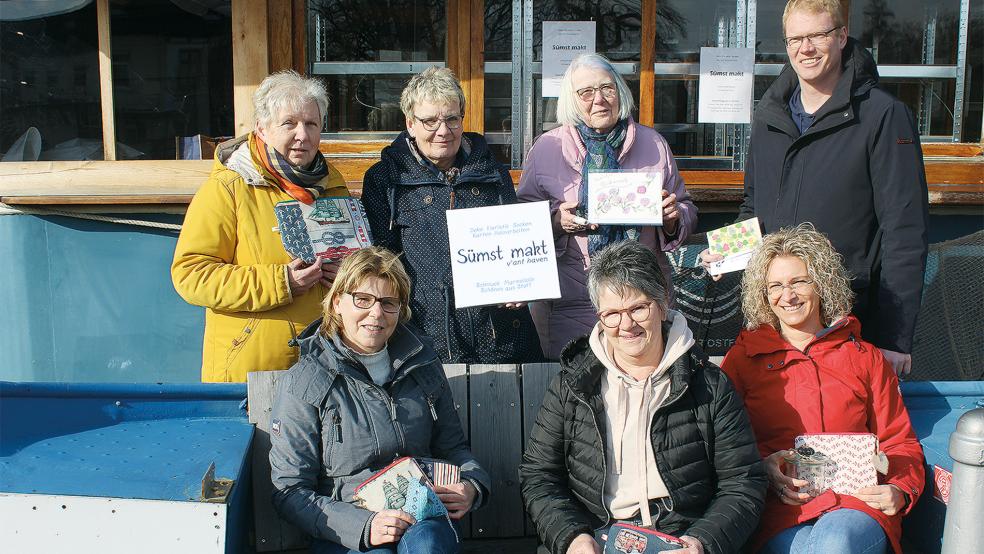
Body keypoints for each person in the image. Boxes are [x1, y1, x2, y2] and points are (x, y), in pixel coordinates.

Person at [703, 0, 929, 377]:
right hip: (776, 316)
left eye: (817, 36)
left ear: (841, 36)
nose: (805, 49)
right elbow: (755, 207)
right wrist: (726, 252)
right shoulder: (769, 116)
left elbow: (904, 231)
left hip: (848, 320)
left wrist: (894, 336)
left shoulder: (882, 115)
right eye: (795, 39)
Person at [520, 240, 766, 554]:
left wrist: (700, 542)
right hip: (597, 536)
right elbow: (539, 476)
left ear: (662, 304)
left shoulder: (708, 384)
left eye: (638, 308)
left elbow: (743, 482)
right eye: (612, 313)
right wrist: (573, 538)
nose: (626, 325)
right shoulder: (573, 385)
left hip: (680, 537)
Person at [269, 246, 491, 554]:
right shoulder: (306, 380)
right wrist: (363, 527)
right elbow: (290, 490)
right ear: (337, 302)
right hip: (347, 528)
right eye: (363, 299)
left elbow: (453, 448)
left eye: (388, 303)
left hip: (422, 517)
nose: (376, 313)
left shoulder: (423, 366)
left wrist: (471, 485)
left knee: (427, 545)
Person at [720, 224, 924, 554]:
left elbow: (899, 441)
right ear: (764, 294)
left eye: (799, 281)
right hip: (781, 509)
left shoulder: (865, 356)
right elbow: (723, 446)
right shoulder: (743, 359)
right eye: (776, 286)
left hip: (857, 504)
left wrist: (900, 489)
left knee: (834, 542)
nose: (788, 296)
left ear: (822, 284)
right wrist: (763, 466)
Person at [518, 53, 697, 360]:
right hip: (571, 303)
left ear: (620, 92)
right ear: (571, 100)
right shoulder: (546, 148)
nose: (598, 99)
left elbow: (684, 208)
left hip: (642, 303)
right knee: (577, 384)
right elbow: (523, 221)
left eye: (607, 88)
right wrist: (556, 222)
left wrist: (673, 218)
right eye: (586, 92)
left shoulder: (653, 144)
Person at [171, 70, 348, 382]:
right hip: (253, 372)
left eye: (311, 123)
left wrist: (347, 274)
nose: (302, 135)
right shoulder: (229, 187)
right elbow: (191, 275)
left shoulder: (334, 186)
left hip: (325, 366)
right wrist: (281, 282)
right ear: (262, 128)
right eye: (289, 123)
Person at [361, 67, 542, 364]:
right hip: (423, 338)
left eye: (451, 119)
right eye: (430, 121)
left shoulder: (494, 173)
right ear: (410, 123)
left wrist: (521, 284)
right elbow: (380, 262)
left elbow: (516, 249)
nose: (443, 131)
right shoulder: (386, 179)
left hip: (502, 337)